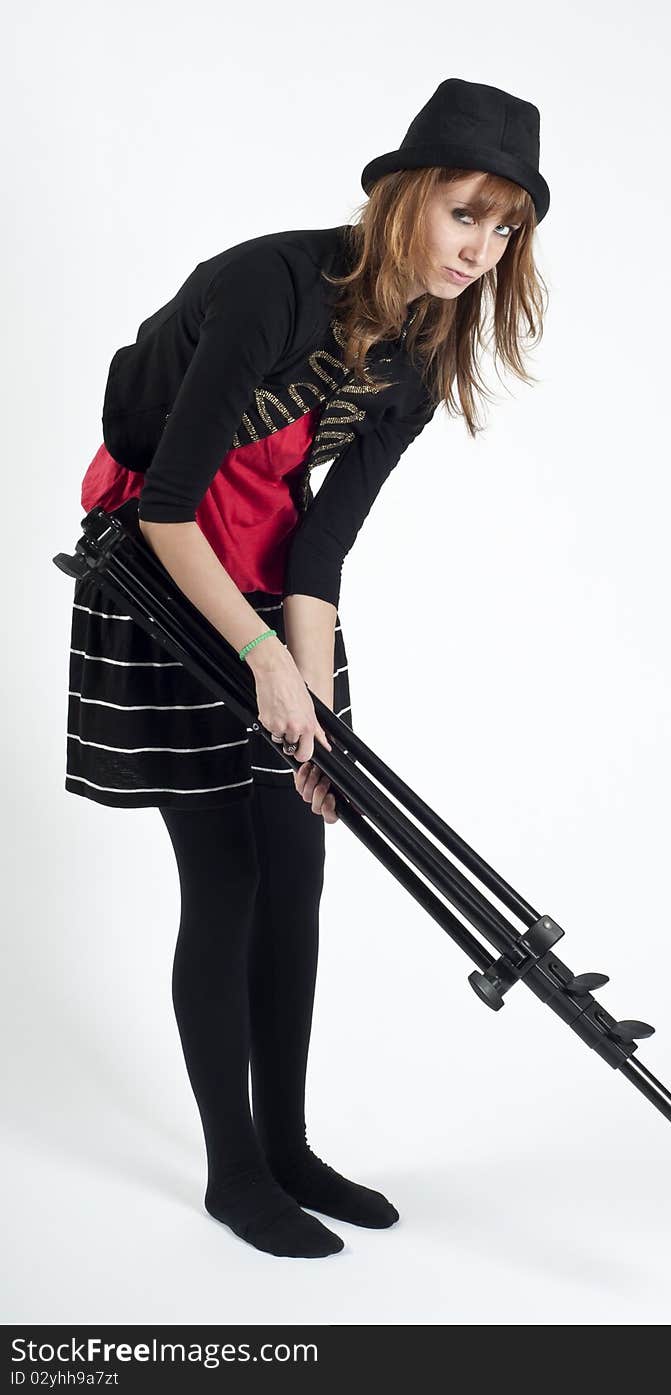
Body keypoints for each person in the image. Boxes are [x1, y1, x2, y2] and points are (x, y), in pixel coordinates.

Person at [64, 78, 550, 1258]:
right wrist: (259, 666)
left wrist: (315, 701)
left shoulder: (420, 360)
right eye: (462, 214)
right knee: (225, 880)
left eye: (503, 228)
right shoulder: (268, 286)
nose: (478, 250)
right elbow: (172, 508)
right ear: (400, 198)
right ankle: (235, 1173)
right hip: (161, 578)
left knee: (300, 870)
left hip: (276, 593)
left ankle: (287, 1144)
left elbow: (322, 546)